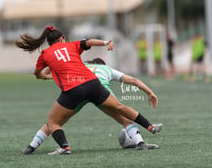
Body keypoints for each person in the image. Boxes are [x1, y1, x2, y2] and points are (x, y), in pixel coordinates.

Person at [15, 26, 162, 155]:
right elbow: (89, 41)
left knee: (53, 122)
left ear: (48, 42)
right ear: (62, 39)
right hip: (93, 84)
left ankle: (56, 147)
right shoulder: (73, 46)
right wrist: (106, 43)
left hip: (73, 91)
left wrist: (43, 77)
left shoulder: (45, 54)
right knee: (120, 109)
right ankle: (149, 127)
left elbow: (39, 73)